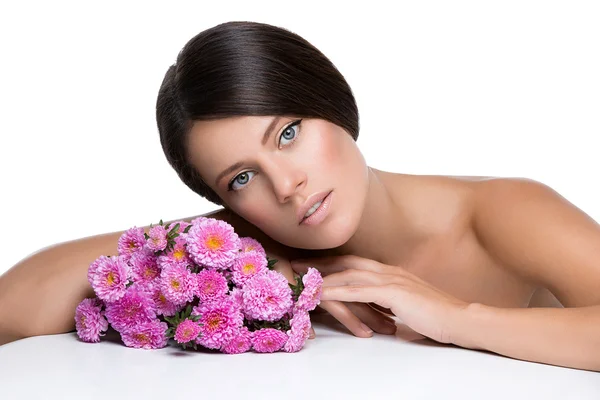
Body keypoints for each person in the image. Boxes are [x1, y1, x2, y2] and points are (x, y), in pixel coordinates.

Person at [1, 21, 599, 372]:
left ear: (333, 104)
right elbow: (14, 304)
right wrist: (236, 255)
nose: (286, 187)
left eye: (288, 134)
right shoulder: (251, 253)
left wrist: (457, 318)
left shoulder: (503, 211)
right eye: (241, 177)